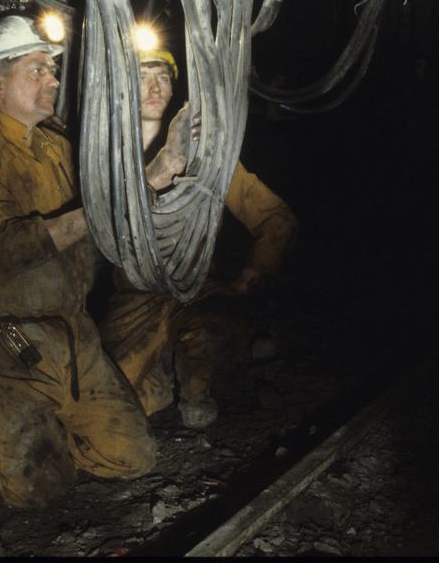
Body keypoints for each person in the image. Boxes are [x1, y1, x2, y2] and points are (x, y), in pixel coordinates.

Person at [0, 14, 171, 509]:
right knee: (37, 490)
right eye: (36, 70)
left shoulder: (56, 145)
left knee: (135, 458)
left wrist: (145, 179)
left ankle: (47, 430)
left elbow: (101, 206)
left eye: (53, 70)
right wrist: (111, 204)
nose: (54, 80)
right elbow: (3, 249)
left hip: (70, 334)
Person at [98, 46, 298, 429]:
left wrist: (252, 274)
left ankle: (199, 382)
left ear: (174, 88)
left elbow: (276, 218)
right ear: (122, 88)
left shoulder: (207, 157)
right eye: (141, 77)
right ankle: (161, 370)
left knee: (208, 331)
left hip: (196, 291)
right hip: (134, 299)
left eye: (163, 77)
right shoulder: (106, 159)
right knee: (114, 402)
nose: (154, 87)